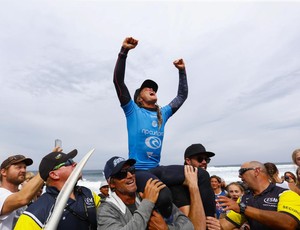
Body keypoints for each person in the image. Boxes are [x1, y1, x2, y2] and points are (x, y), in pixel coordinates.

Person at [113, 36, 210, 218]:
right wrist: (124, 52)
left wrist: (182, 71)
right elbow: (118, 82)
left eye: (154, 88)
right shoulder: (132, 111)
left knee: (201, 176)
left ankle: (210, 221)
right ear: (139, 98)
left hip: (158, 168)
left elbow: (181, 96)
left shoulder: (162, 114)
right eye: (147, 88)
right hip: (140, 170)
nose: (152, 89)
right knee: (164, 195)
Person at [97, 156, 196, 230]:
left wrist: (167, 228)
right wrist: (148, 202)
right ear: (111, 184)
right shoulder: (106, 210)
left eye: (131, 170)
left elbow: (189, 225)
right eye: (122, 173)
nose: (130, 175)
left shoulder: (147, 193)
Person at [15, 149, 100, 230]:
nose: (75, 164)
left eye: (73, 161)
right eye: (69, 162)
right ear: (54, 174)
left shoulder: (87, 194)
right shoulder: (35, 213)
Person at [207, 161, 300, 230]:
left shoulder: (286, 194)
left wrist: (243, 209)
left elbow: (289, 223)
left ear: (256, 171)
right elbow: (225, 225)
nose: (239, 176)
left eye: (242, 172)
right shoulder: (244, 199)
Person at [170, 143, 216, 217]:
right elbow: (186, 221)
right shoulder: (179, 187)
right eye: (200, 159)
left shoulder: (205, 184)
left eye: (206, 160)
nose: (204, 162)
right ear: (188, 161)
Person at [0, 154, 44, 230]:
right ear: (3, 172)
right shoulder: (1, 193)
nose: (23, 170)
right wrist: (46, 167)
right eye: (18, 167)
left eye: (24, 167)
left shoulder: (20, 194)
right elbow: (22, 199)